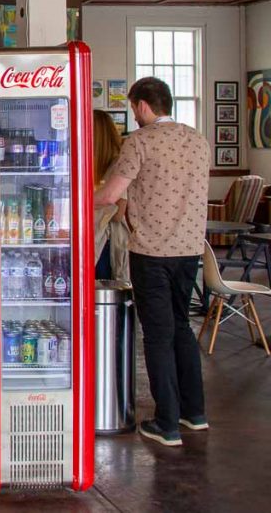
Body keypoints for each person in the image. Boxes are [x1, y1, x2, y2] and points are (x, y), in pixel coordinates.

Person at [96, 77, 210, 447]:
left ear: (143, 105)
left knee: (157, 336)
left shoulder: (140, 142)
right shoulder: (197, 140)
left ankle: (166, 424)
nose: (133, 113)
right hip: (190, 249)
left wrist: (74, 196)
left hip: (151, 252)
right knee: (181, 328)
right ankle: (194, 414)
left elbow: (111, 195)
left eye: (133, 107)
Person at [93, 110, 129, 281]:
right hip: (89, 236)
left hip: (104, 240)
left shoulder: (118, 165)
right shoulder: (87, 162)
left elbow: (119, 213)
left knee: (100, 291)